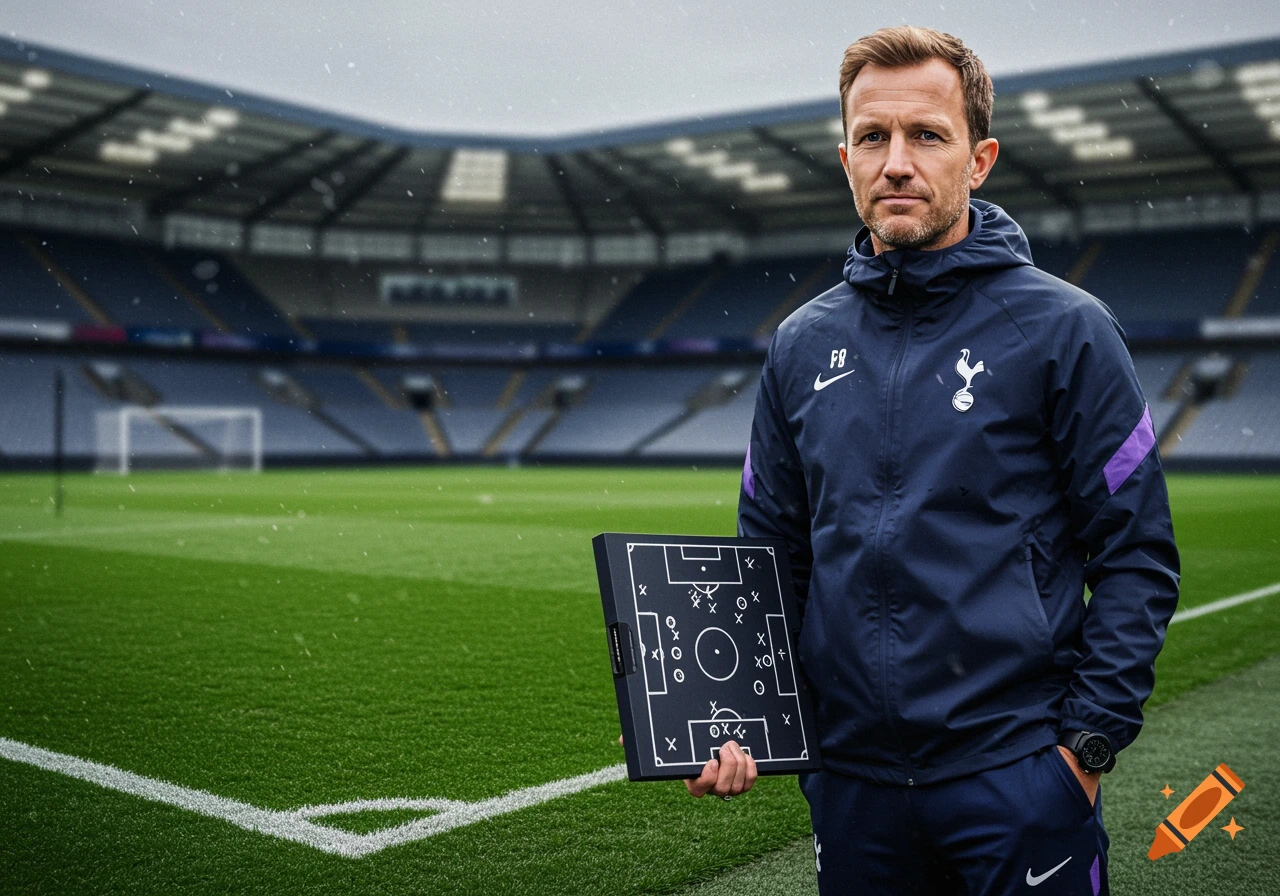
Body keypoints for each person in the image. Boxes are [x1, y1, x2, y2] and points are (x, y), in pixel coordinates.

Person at [688, 25, 1181, 896]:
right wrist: (726, 717)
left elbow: (1136, 554)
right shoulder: (801, 345)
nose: (896, 163)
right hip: (851, 789)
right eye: (872, 138)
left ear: (979, 158)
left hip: (1017, 777)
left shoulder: (1068, 329)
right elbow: (767, 558)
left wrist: (1084, 751)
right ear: (845, 158)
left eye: (927, 135)